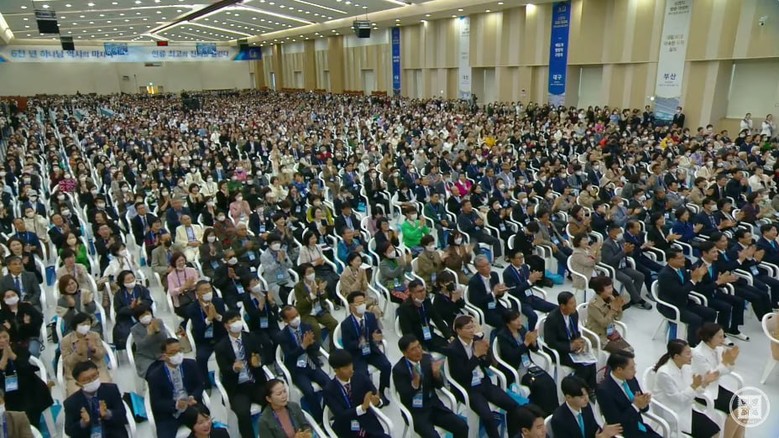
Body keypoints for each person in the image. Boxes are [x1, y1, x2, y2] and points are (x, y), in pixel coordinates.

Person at [445, 314, 518, 438]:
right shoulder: (453, 349)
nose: (472, 330)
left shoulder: (476, 341)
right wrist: (476, 356)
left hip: (484, 383)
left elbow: (487, 364)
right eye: (468, 328)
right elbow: (461, 375)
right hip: (468, 388)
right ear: (458, 330)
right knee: (488, 416)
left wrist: (485, 353)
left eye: (472, 327)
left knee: (513, 405)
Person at [391, 335, 468, 438]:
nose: (418, 351)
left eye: (419, 346)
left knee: (462, 426)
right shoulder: (399, 370)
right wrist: (415, 383)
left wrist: (436, 375)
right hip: (415, 411)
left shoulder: (427, 359)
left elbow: (439, 386)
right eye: (413, 349)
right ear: (405, 353)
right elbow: (405, 396)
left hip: (433, 405)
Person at [214, 310, 268, 438]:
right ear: (226, 326)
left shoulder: (251, 337)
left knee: (272, 400)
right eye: (233, 321)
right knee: (243, 413)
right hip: (237, 388)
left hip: (255, 382)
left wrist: (259, 362)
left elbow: (263, 355)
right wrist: (233, 368)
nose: (237, 323)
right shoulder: (221, 346)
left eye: (238, 319)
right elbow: (224, 369)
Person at [651, 339, 721, 438]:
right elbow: (679, 399)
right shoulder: (664, 373)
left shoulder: (685, 367)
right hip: (672, 411)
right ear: (677, 356)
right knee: (711, 433)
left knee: (715, 430)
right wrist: (694, 386)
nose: (691, 356)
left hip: (686, 408)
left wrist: (705, 383)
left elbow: (693, 390)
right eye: (688, 354)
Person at [494, 310, 558, 416]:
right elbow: (511, 355)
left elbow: (534, 349)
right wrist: (526, 343)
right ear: (508, 323)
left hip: (529, 365)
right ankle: (542, 413)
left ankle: (554, 412)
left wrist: (533, 342)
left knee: (549, 381)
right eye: (515, 320)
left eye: (519, 318)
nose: (519, 321)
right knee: (539, 385)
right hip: (516, 368)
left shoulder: (522, 329)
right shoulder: (503, 336)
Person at [691, 323, 747, 438]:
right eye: (720, 337)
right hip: (703, 391)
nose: (723, 340)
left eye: (723, 336)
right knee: (738, 411)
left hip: (716, 387)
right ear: (709, 338)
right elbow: (710, 376)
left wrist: (731, 361)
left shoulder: (718, 349)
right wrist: (725, 363)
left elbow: (727, 370)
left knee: (744, 410)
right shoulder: (698, 354)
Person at [276, 305, 329, 420]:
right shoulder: (282, 336)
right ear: (286, 321)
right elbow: (289, 356)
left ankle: (327, 414)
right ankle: (319, 419)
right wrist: (303, 346)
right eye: (292, 317)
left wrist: (312, 343)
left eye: (297, 315)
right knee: (309, 391)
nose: (296, 318)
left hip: (311, 364)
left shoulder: (306, 327)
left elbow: (316, 348)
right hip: (297, 370)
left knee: (329, 384)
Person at [323, 349, 390, 438]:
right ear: (336, 370)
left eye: (351, 365)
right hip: (347, 428)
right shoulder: (329, 390)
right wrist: (362, 408)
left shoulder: (360, 377)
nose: (351, 369)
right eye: (346, 368)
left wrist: (378, 402)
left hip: (368, 424)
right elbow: (341, 415)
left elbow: (376, 394)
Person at [146, 338, 204, 438]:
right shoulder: (155, 376)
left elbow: (199, 385)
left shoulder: (191, 364)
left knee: (206, 427)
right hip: (169, 415)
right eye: (173, 353)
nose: (178, 355)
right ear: (164, 356)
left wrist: (193, 396)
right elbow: (156, 403)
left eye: (179, 350)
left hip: (191, 408)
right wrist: (176, 404)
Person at [657, 249, 717, 346]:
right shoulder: (665, 275)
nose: (684, 260)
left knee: (711, 313)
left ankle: (703, 338)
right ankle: (693, 344)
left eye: (683, 257)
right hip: (671, 306)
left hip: (684, 302)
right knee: (695, 320)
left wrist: (698, 278)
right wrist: (694, 280)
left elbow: (689, 285)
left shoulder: (682, 269)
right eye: (680, 258)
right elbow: (680, 292)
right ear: (670, 260)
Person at [543, 291, 598, 396]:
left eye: (575, 302)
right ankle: (576, 392)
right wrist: (570, 346)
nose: (575, 305)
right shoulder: (552, 319)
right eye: (572, 303)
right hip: (558, 351)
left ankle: (591, 389)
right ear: (563, 306)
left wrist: (579, 341)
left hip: (572, 347)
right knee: (583, 366)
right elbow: (551, 343)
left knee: (591, 362)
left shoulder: (574, 313)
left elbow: (575, 331)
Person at [341, 292, 391, 404]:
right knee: (362, 374)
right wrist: (360, 343)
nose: (362, 305)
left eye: (363, 302)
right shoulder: (346, 324)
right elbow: (347, 345)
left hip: (371, 350)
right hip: (357, 354)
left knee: (386, 365)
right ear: (351, 306)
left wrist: (378, 337)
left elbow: (376, 331)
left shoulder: (370, 317)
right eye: (359, 303)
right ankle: (372, 396)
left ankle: (382, 391)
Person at [596, 351, 661, 437]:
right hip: (627, 433)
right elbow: (616, 423)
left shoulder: (631, 379)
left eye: (634, 366)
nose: (635, 371)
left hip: (641, 427)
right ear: (619, 370)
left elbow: (644, 409)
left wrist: (644, 402)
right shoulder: (604, 390)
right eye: (631, 368)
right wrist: (636, 405)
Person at [693, 241, 749, 340]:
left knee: (739, 301)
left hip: (715, 292)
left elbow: (719, 280)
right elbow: (700, 290)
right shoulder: (697, 267)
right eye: (713, 252)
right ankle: (721, 334)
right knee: (726, 307)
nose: (717, 254)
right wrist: (719, 282)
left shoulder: (715, 264)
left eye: (716, 251)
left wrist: (725, 281)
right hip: (704, 297)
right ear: (704, 253)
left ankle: (734, 330)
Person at [0, 326, 52, 429]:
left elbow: (30, 370)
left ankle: (34, 428)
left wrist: (13, 356)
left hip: (30, 386)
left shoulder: (19, 348)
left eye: (4, 336)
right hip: (8, 393)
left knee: (30, 406)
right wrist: (4, 358)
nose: (2, 340)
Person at [64, 361, 128, 438]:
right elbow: (69, 430)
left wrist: (107, 414)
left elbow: (123, 416)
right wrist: (83, 422)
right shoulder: (71, 402)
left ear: (98, 373)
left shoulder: (111, 390)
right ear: (78, 384)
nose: (92, 381)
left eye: (94, 376)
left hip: (113, 434)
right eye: (86, 380)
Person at [550, 375, 622, 438]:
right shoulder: (559, 420)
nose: (586, 399)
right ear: (568, 398)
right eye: (581, 397)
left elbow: (594, 429)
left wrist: (604, 431)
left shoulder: (585, 407)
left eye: (586, 394)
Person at [185, 280, 226, 388]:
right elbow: (198, 329)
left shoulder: (218, 302)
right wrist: (208, 319)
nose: (208, 292)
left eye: (209, 289)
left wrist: (217, 316)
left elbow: (226, 322)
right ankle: (205, 384)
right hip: (204, 341)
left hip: (220, 337)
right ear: (198, 293)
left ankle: (226, 378)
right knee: (201, 358)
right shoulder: (192, 308)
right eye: (204, 290)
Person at [503, 249, 557, 330]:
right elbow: (513, 291)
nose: (521, 259)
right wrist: (529, 281)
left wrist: (534, 280)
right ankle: (530, 334)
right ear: (512, 259)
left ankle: (549, 329)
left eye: (522, 257)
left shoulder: (525, 267)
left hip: (531, 297)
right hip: (519, 301)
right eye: (519, 258)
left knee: (555, 308)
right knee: (533, 316)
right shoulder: (507, 273)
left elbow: (530, 284)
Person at [601, 224, 652, 310]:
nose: (620, 234)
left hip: (623, 265)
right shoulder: (607, 244)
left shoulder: (621, 240)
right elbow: (611, 261)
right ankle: (639, 300)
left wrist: (629, 251)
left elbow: (628, 255)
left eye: (620, 232)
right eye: (617, 232)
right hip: (613, 268)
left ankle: (634, 299)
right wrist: (624, 251)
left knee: (640, 276)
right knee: (627, 279)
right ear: (611, 233)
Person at [398, 279, 452, 354]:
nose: (423, 293)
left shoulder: (426, 302)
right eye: (419, 291)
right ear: (412, 293)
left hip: (429, 335)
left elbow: (437, 319)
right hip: (416, 340)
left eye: (423, 290)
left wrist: (449, 336)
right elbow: (407, 331)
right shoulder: (404, 308)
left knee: (451, 349)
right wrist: (417, 346)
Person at [294, 263, 338, 346]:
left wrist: (321, 291)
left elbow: (325, 297)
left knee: (334, 323)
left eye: (313, 271)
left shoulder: (318, 281)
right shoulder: (298, 287)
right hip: (307, 313)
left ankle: (332, 347)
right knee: (315, 328)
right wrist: (312, 295)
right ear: (303, 275)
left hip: (319, 310)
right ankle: (318, 348)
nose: (312, 274)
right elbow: (300, 305)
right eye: (309, 272)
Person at [585, 276, 632, 353]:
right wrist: (613, 310)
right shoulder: (593, 305)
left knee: (630, 350)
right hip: (598, 335)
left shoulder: (611, 299)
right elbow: (604, 323)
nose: (611, 290)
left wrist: (619, 307)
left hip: (610, 332)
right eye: (609, 288)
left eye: (611, 287)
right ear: (600, 290)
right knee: (624, 353)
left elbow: (618, 318)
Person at [112, 270, 154, 350]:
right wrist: (130, 307)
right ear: (122, 282)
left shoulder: (141, 289)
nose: (131, 280)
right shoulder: (118, 294)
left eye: (132, 278)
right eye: (128, 279)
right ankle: (131, 350)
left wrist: (139, 305)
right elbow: (118, 309)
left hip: (142, 314)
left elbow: (149, 301)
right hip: (126, 318)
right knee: (123, 333)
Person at [468, 255, 512, 328]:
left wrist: (501, 292)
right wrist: (493, 293)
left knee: (512, 317)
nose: (488, 267)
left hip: (496, 305)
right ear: (477, 268)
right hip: (485, 310)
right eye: (484, 266)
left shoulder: (494, 275)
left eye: (488, 264)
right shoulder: (474, 282)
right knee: (503, 323)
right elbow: (477, 302)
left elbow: (498, 296)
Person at [243, 278, 280, 365]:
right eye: (253, 284)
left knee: (278, 338)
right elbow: (253, 317)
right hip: (257, 327)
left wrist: (272, 302)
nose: (257, 284)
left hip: (270, 323)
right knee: (266, 342)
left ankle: (277, 359)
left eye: (257, 282)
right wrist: (260, 305)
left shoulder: (265, 293)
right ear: (248, 288)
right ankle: (270, 362)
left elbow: (275, 310)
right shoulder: (247, 300)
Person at [0, 288, 44, 357]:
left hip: (31, 338)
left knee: (31, 353)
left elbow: (39, 320)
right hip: (12, 342)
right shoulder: (2, 314)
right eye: (8, 297)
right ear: (3, 299)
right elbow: (5, 333)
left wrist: (27, 324)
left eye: (13, 295)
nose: (11, 297)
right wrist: (11, 329)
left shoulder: (27, 307)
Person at [130, 304, 170, 378]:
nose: (146, 316)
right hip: (145, 357)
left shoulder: (158, 322)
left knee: (168, 370)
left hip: (161, 353)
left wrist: (157, 331)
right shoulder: (135, 329)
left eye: (147, 314)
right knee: (153, 374)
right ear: (138, 318)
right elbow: (140, 346)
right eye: (142, 315)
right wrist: (149, 335)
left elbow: (164, 338)